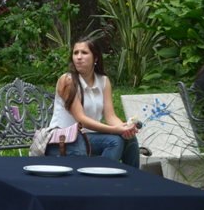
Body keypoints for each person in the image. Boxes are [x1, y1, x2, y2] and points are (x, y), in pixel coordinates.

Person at [49, 37, 141, 166]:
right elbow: (81, 120)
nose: (79, 57)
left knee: (129, 139)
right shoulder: (67, 81)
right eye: (76, 53)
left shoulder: (103, 81)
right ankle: (100, 177)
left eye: (84, 53)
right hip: (65, 138)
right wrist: (114, 130)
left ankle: (133, 178)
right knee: (115, 141)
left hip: (89, 137)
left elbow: (111, 116)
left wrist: (126, 129)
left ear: (95, 58)